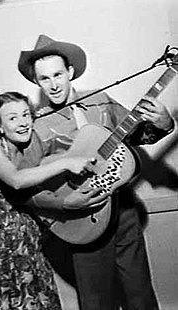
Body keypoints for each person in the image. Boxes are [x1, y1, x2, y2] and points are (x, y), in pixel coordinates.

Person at [17, 35, 175, 310]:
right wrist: (65, 202)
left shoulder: (101, 102)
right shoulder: (37, 126)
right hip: (82, 218)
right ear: (37, 82)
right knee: (96, 302)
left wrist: (163, 124)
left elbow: (137, 137)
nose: (53, 85)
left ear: (69, 72)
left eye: (57, 74)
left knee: (141, 296)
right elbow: (23, 187)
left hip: (125, 212)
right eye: (44, 79)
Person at [0, 91, 102, 310]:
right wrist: (67, 163)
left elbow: (59, 146)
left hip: (32, 238)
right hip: (2, 243)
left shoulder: (31, 148)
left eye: (26, 115)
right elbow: (15, 180)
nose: (23, 123)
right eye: (12, 118)